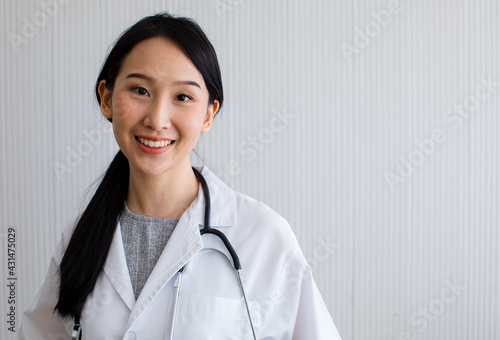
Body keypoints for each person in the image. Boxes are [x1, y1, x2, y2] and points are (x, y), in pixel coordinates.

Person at [18, 12, 342, 340]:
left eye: (183, 97)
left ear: (208, 114)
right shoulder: (80, 238)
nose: (157, 119)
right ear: (106, 98)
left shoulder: (264, 238)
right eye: (140, 90)